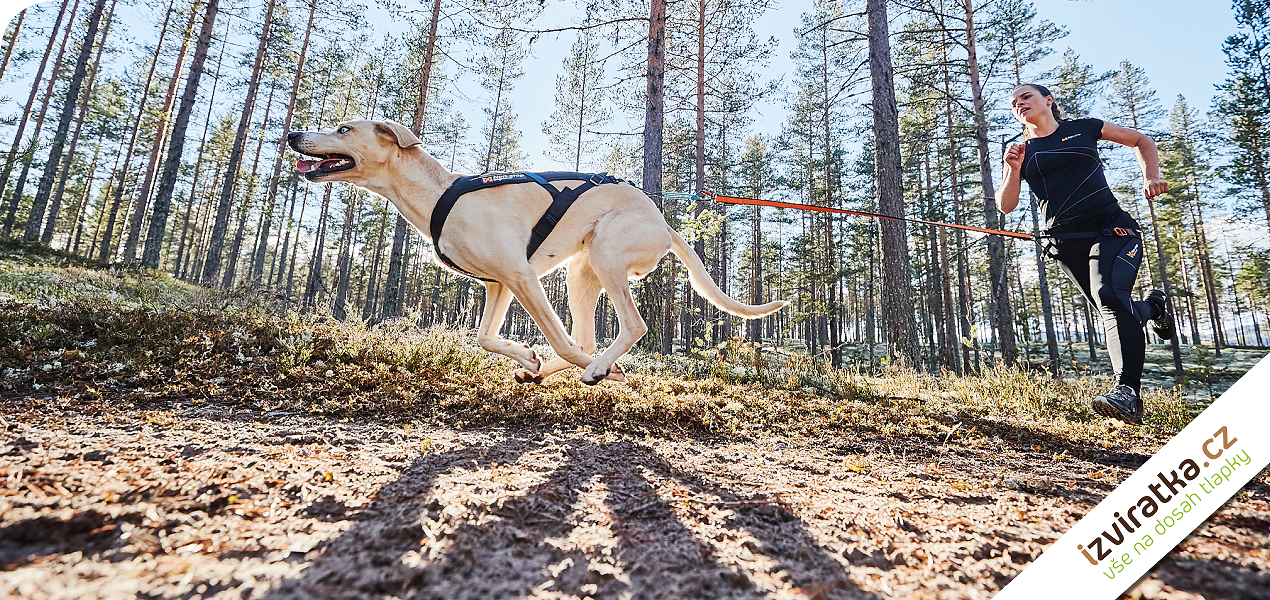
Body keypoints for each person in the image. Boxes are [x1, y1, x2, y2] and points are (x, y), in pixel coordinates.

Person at [996, 83, 1176, 426]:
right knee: (1115, 312)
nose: (1019, 104)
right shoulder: (1020, 150)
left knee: (1110, 296)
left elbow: (1142, 140)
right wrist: (1013, 169)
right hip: (1064, 242)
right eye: (1014, 102)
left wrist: (1151, 176)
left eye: (1026, 97)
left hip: (1112, 228)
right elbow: (1006, 206)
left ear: (1048, 100)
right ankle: (1153, 308)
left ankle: (1127, 394)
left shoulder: (1085, 128)